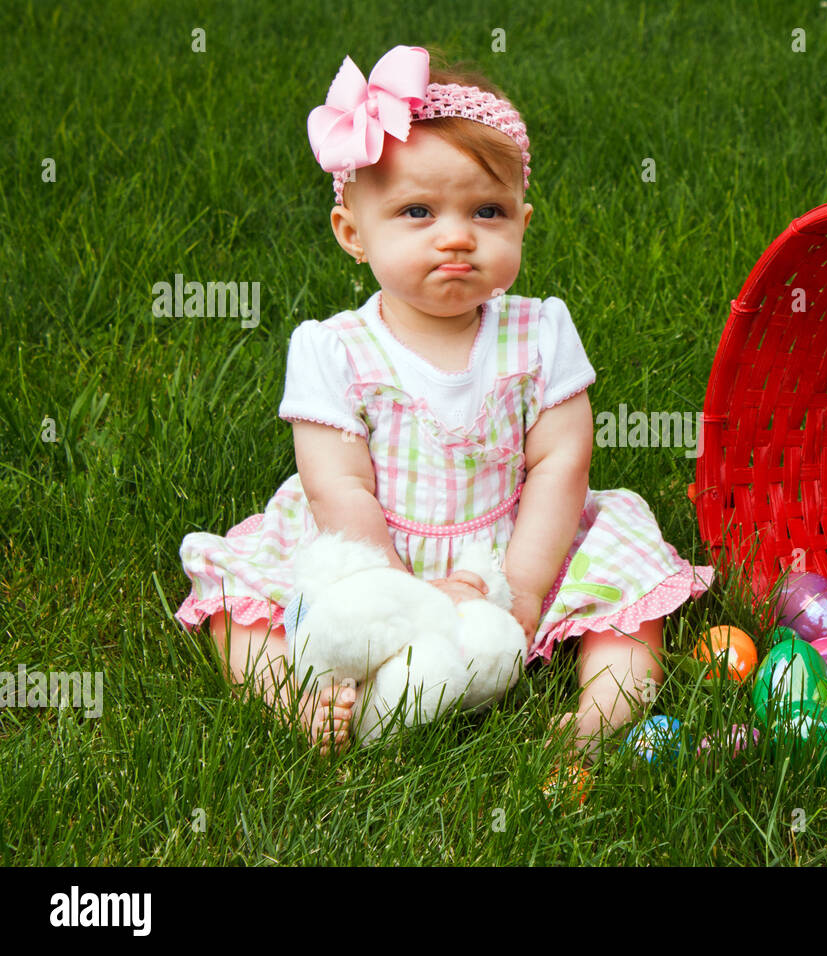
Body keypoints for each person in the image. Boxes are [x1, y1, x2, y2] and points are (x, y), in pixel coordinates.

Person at [175, 44, 714, 759]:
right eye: (417, 211)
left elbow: (561, 462)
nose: (457, 236)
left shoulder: (540, 331)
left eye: (486, 210)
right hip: (371, 548)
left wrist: (520, 592)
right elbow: (337, 484)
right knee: (245, 606)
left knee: (628, 590)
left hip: (516, 538)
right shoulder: (334, 350)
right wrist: (393, 597)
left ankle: (595, 721)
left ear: (523, 222)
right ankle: (296, 698)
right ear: (353, 235)